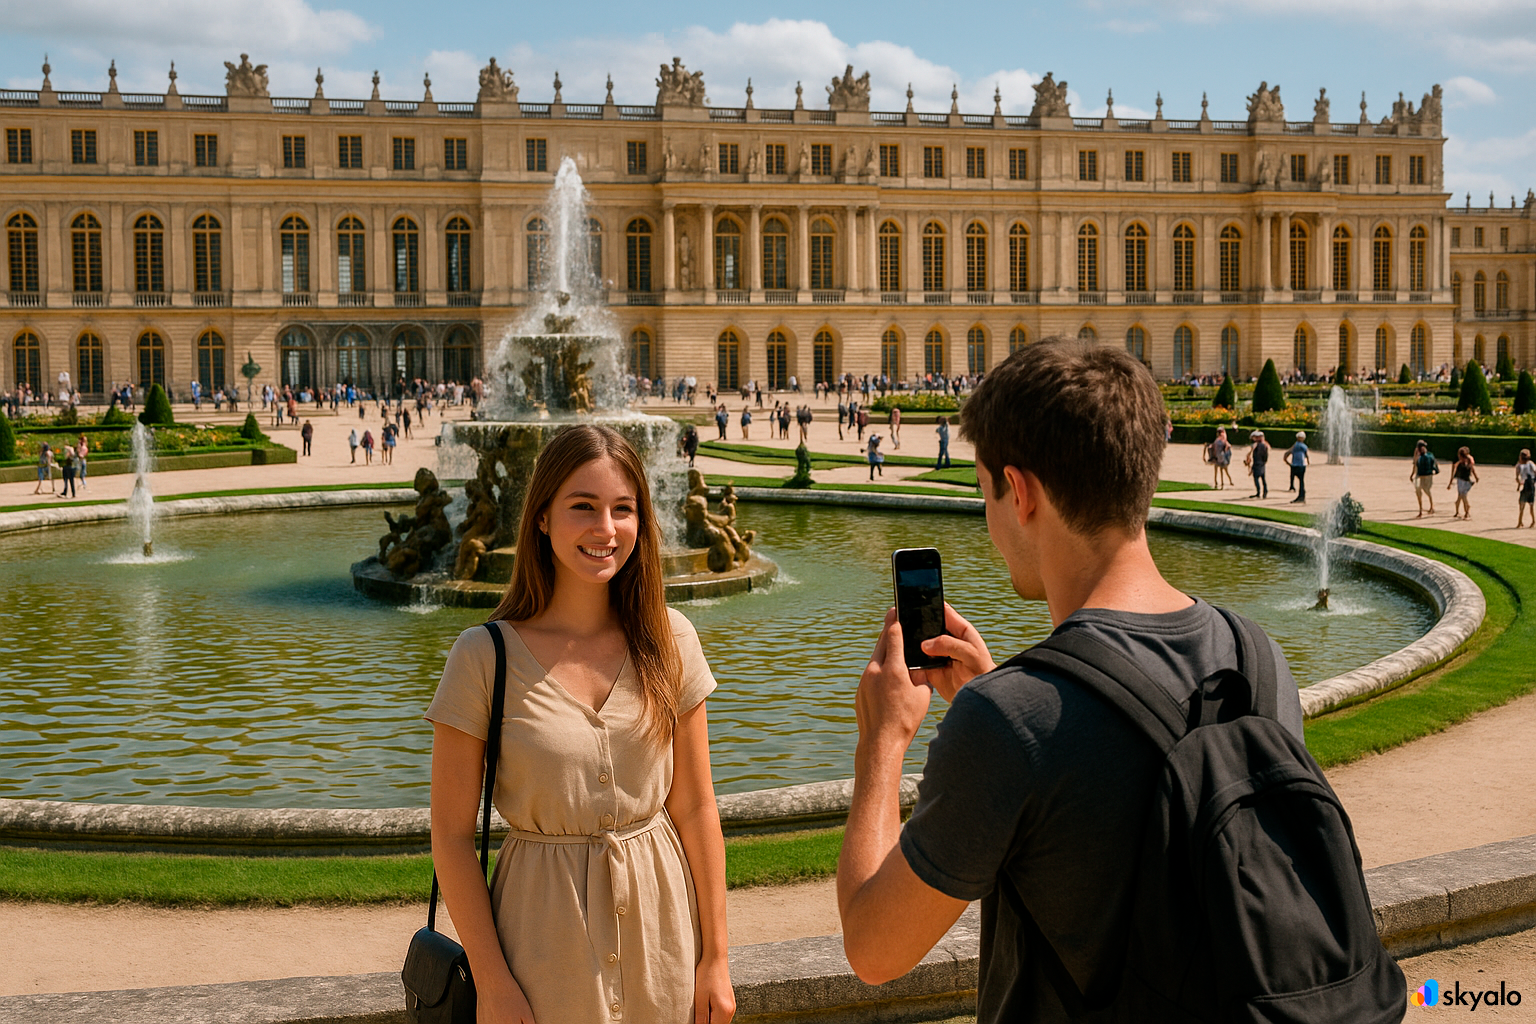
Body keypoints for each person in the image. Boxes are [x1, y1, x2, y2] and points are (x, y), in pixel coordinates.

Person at [836, 338, 1398, 1022]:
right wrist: (1009, 690)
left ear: (1022, 492)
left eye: (986, 491)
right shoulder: (1257, 657)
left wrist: (883, 742)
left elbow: (873, 949)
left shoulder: (1008, 722)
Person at [425, 425, 733, 1024]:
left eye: (624, 509)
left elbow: (696, 808)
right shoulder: (483, 655)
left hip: (663, 938)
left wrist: (716, 957)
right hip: (540, 953)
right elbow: (452, 836)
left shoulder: (670, 641)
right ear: (541, 517)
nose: (606, 529)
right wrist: (492, 979)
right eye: (583, 507)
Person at [1447, 446, 1478, 520]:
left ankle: (1466, 512)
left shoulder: (1459, 463)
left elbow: (1454, 473)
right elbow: (1472, 470)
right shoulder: (1468, 461)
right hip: (1466, 481)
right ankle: (1460, 512)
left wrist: (1450, 483)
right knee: (1461, 496)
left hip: (1462, 481)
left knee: (1462, 496)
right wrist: (1476, 477)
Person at [1411, 440, 1438, 518]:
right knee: (1418, 491)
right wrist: (1413, 474)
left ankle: (1431, 506)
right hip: (1419, 475)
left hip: (1425, 475)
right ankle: (1421, 509)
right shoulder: (1417, 454)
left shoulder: (1426, 455)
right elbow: (1415, 464)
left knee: (1426, 490)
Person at [1284, 431, 1309, 504]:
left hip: (1295, 464)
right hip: (1301, 465)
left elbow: (1287, 453)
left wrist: (1286, 461)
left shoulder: (1295, 445)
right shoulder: (1302, 446)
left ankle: (1300, 494)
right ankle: (1301, 495)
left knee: (1296, 478)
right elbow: (1306, 454)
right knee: (1301, 481)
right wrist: (1308, 461)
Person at [1244, 430, 1269, 498]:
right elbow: (1266, 456)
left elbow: (1251, 453)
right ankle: (1265, 491)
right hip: (1262, 463)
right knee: (1263, 478)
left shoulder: (1256, 445)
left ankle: (1258, 492)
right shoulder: (1264, 445)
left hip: (1257, 463)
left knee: (1256, 478)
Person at [1517, 449, 1536, 528]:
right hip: (1531, 487)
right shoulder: (1530, 464)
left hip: (1524, 486)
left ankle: (1520, 521)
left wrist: (1518, 485)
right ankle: (1533, 521)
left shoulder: (1519, 465)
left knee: (1521, 504)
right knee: (1531, 505)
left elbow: (1518, 477)